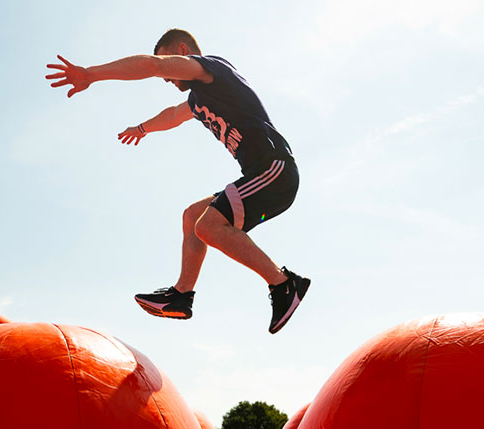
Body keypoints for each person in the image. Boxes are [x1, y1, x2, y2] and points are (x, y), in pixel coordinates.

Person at [46, 28, 310, 334]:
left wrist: (91, 74)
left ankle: (283, 284)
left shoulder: (212, 68)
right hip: (259, 175)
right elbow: (173, 115)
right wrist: (143, 128)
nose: (167, 79)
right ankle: (182, 296)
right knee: (193, 217)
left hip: (274, 170)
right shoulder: (199, 98)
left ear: (182, 50)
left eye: (169, 67)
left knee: (208, 226)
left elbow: (153, 65)